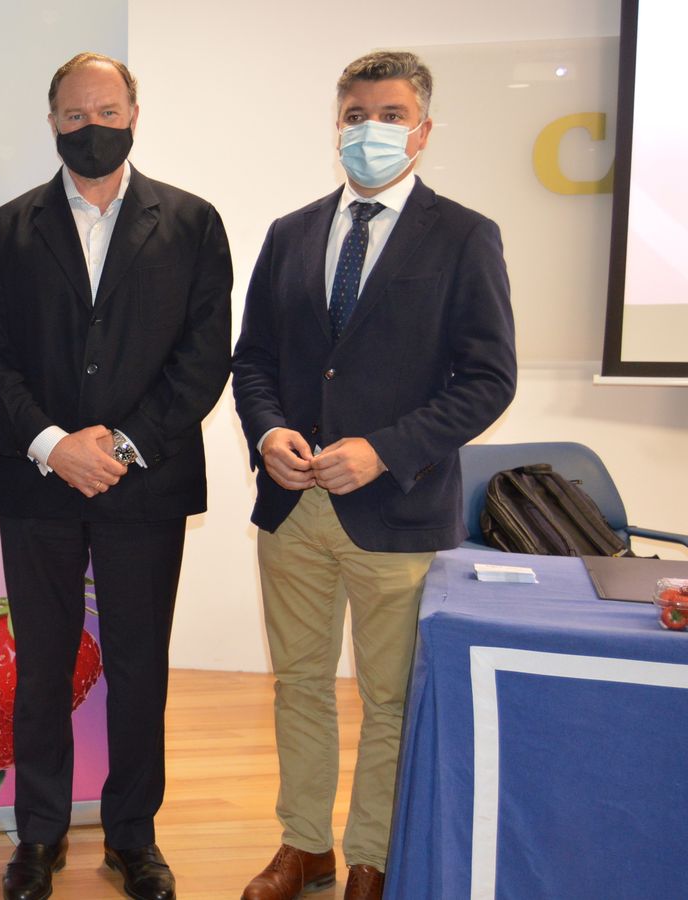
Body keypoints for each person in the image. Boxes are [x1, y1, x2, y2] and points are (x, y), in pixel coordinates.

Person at [231, 51, 516, 900]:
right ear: (336, 125)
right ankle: (304, 845)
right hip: (293, 509)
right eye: (355, 114)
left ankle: (371, 857)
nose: (369, 131)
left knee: (389, 701)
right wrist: (270, 429)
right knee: (300, 688)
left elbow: (489, 379)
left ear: (422, 131)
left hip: (397, 508)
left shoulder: (465, 235)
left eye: (389, 115)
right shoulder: (291, 232)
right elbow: (253, 362)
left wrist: (385, 448)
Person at [0, 52, 233, 900]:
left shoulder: (192, 222)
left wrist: (116, 447)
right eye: (76, 113)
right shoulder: (5, 229)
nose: (92, 127)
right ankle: (37, 838)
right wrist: (52, 443)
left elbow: (203, 359)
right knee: (39, 666)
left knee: (139, 665)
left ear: (135, 113)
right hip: (36, 480)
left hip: (143, 485)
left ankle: (133, 838)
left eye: (107, 110)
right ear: (51, 121)